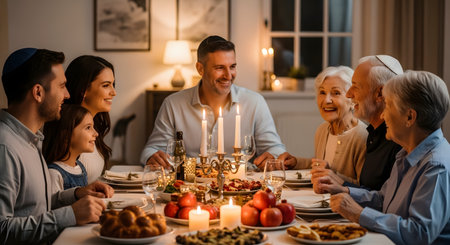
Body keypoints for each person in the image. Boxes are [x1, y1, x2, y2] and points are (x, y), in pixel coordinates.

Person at [0, 48, 113, 243]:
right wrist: (69, 215)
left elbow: (36, 205)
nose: (68, 95)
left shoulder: (32, 139)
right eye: (61, 86)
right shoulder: (6, 147)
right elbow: (3, 230)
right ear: (38, 92)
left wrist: (76, 194)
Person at [329, 71, 450, 244]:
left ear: (409, 117)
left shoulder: (435, 167)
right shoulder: (406, 153)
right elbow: (384, 199)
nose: (383, 115)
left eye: (388, 106)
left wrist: (359, 214)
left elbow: (419, 233)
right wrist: (345, 192)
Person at [141, 35, 285, 168]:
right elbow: (152, 149)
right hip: (190, 187)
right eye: (219, 68)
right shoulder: (173, 104)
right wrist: (152, 157)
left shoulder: (254, 102)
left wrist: (273, 156)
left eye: (232, 67)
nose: (228, 76)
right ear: (200, 69)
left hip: (241, 187)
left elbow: (275, 149)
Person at [312, 55, 403, 191]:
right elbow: (371, 193)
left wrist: (341, 184)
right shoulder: (373, 134)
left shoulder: (398, 142)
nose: (349, 94)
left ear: (380, 94)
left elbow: (384, 203)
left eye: (355, 87)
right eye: (322, 92)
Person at [278, 66, 367, 185]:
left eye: (336, 93)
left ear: (352, 100)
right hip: (320, 199)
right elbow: (322, 165)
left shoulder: (362, 137)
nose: (326, 100)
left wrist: (332, 175)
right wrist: (296, 162)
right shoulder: (322, 130)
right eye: (322, 92)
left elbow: (365, 188)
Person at [65, 55, 117, 183]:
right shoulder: (70, 131)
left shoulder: (93, 125)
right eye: (106, 85)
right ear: (84, 90)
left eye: (113, 84)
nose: (113, 92)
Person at [43, 104, 99, 191]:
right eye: (88, 127)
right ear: (66, 136)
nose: (96, 133)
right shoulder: (54, 174)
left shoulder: (80, 167)